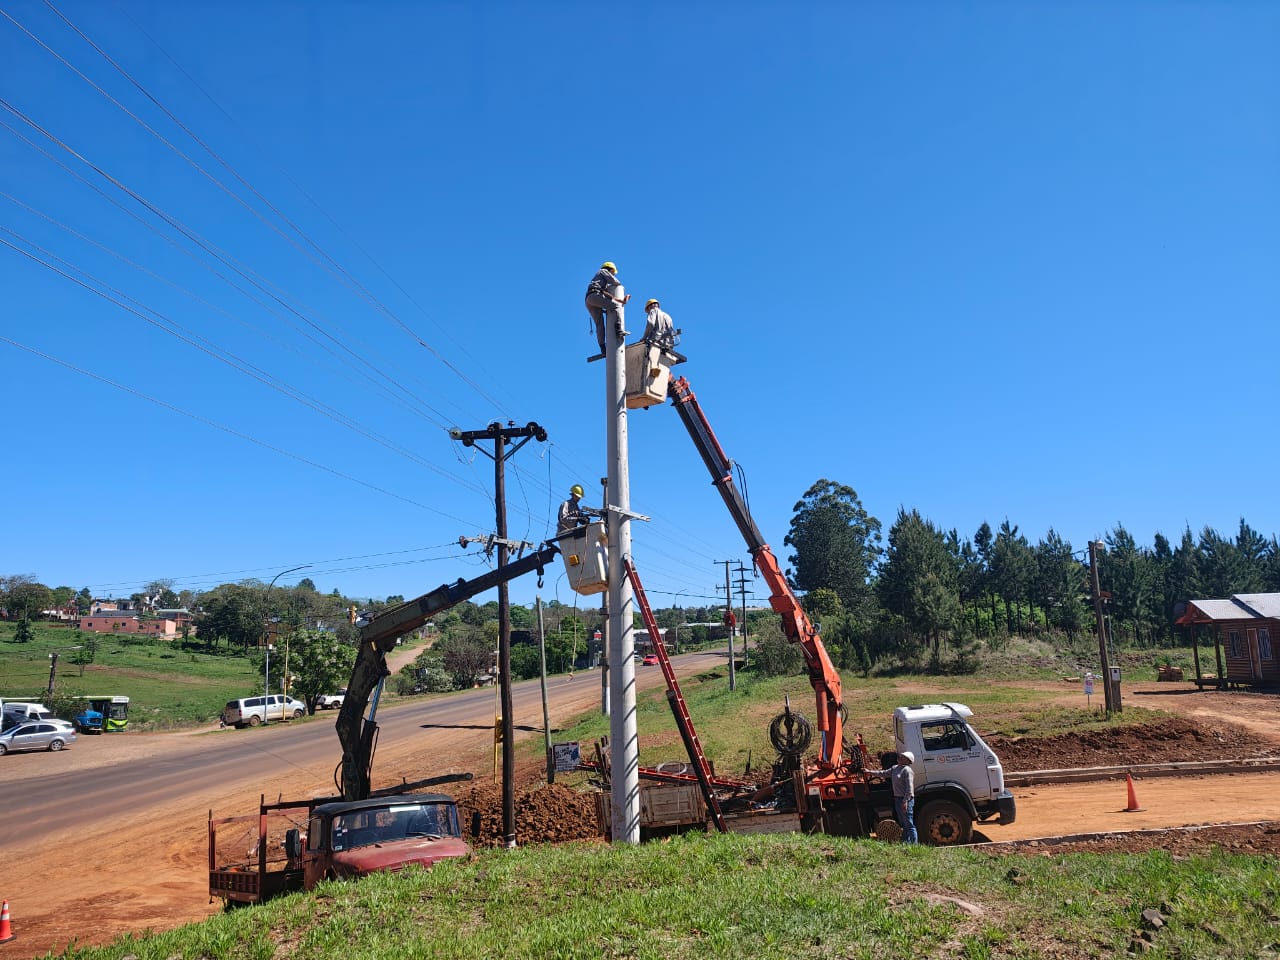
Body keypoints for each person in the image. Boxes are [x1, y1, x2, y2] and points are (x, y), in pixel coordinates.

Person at [872, 751, 918, 844]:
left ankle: (914, 844)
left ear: (908, 761)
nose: (900, 757)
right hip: (897, 799)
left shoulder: (907, 771)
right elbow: (883, 773)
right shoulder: (895, 768)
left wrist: (905, 802)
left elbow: (909, 789)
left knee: (909, 823)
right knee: (903, 822)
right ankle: (906, 842)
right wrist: (869, 772)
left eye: (903, 757)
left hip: (905, 800)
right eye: (900, 756)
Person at [584, 261, 629, 355]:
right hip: (595, 296)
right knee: (616, 307)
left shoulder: (599, 281)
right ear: (610, 269)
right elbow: (614, 281)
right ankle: (618, 330)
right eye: (613, 272)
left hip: (590, 299)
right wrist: (620, 286)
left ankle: (603, 348)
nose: (613, 274)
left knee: (599, 325)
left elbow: (607, 295)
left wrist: (620, 300)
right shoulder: (602, 271)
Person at [641, 298, 675, 380]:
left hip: (656, 341)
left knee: (649, 357)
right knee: (661, 362)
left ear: (649, 307)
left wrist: (644, 337)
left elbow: (651, 324)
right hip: (667, 344)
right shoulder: (667, 316)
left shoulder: (653, 311)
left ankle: (652, 372)